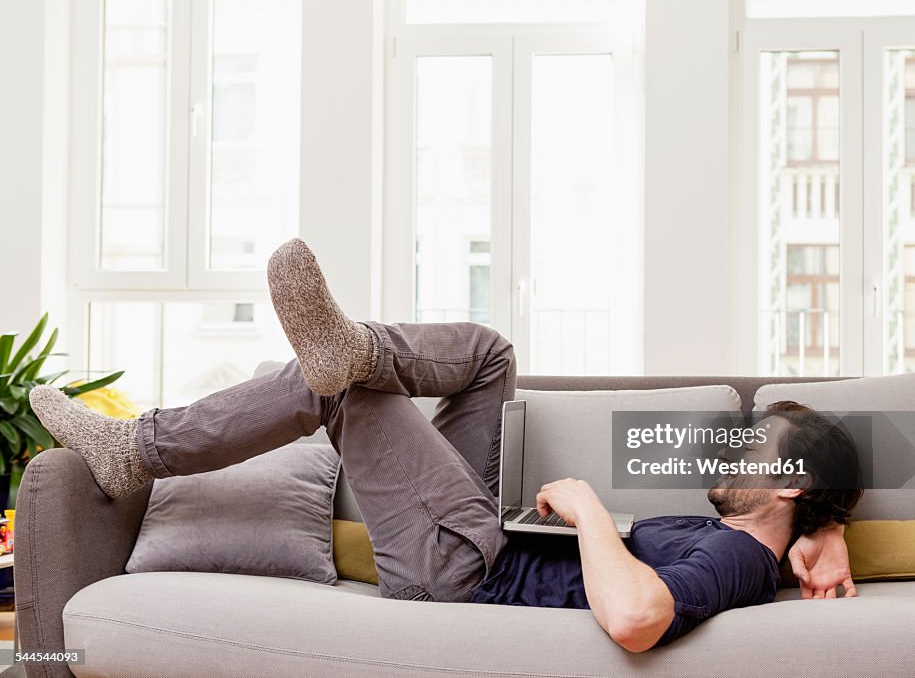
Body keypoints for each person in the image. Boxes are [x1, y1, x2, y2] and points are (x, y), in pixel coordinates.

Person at [30, 239, 863, 652]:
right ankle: (350, 349)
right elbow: (787, 532)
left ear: (791, 483)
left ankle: (136, 448)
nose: (734, 450)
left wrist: (585, 506)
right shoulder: (758, 543)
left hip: (467, 571)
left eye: (758, 446)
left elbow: (639, 616)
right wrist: (825, 534)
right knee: (490, 354)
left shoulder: (740, 562)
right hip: (483, 535)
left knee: (344, 389)